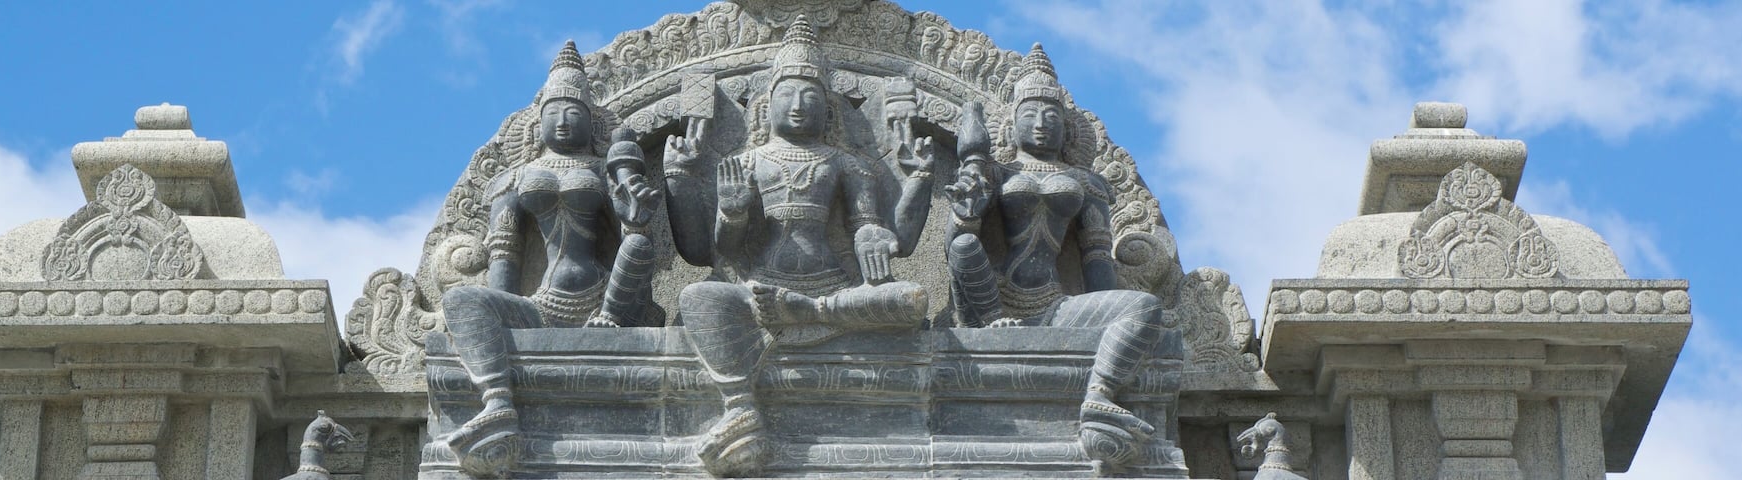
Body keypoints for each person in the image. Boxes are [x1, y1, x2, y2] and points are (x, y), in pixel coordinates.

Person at [660, 16, 937, 476]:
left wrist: (906, 196)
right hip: (761, 291)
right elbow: (721, 253)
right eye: (787, 93)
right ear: (765, 105)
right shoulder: (744, 162)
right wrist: (730, 212)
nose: (798, 104)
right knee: (697, 297)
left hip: (831, 289)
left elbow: (871, 227)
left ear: (828, 110)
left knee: (910, 299)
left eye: (810, 95)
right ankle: (739, 404)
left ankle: (810, 310)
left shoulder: (847, 164)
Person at [424, 40, 663, 475]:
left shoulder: (602, 169)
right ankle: (497, 401)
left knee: (641, 247)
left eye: (575, 112)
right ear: (537, 125)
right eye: (554, 112)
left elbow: (629, 238)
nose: (564, 120)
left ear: (592, 123)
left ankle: (610, 317)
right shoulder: (512, 180)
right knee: (462, 301)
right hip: (540, 305)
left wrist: (636, 219)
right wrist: (499, 314)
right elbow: (505, 254)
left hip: (600, 301)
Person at [942, 43, 1177, 469]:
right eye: (1029, 114)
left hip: (1055, 304)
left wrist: (1105, 316)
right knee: (960, 245)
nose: (1041, 124)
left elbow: (1097, 259)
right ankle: (993, 322)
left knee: (1144, 307)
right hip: (994, 299)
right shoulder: (997, 172)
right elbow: (961, 238)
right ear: (1010, 125)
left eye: (1052, 116)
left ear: (1068, 130)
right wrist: (965, 214)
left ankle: (1100, 395)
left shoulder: (1086, 184)